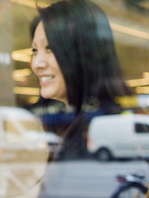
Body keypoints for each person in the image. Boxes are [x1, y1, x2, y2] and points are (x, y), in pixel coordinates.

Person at [30, 0, 134, 159]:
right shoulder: (69, 126)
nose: (36, 64)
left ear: (83, 55)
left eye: (50, 48)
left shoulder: (100, 128)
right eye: (35, 50)